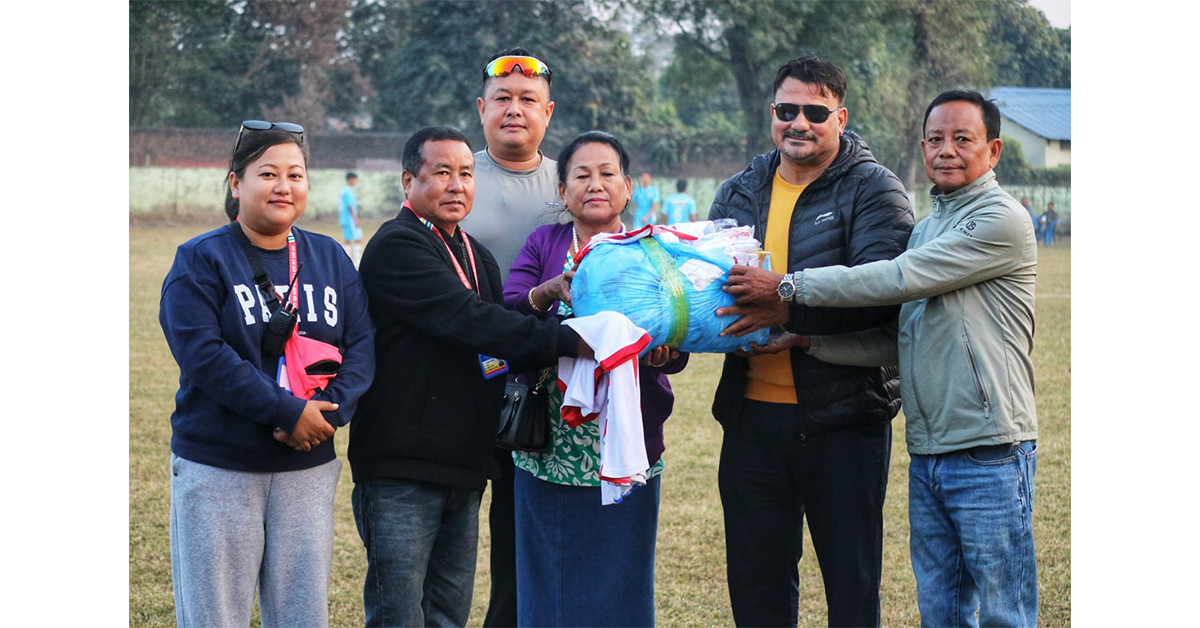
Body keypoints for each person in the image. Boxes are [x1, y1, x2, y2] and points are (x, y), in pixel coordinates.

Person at [721, 89, 1039, 627]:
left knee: (1003, 611)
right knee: (941, 607)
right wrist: (807, 342)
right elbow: (900, 339)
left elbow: (896, 278)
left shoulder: (1001, 220)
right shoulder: (926, 228)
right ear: (921, 147)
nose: (947, 151)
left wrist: (789, 287)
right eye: (936, 139)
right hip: (930, 449)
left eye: (964, 139)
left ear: (995, 151)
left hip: (990, 446)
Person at [348, 126, 594, 627]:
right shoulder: (397, 246)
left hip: (464, 461)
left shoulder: (477, 255)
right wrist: (571, 341)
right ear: (407, 181)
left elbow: (497, 341)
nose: (457, 185)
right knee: (400, 613)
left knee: (447, 613)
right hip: (401, 466)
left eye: (465, 173)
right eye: (441, 173)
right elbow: (472, 322)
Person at [705, 55, 914, 627]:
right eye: (786, 110)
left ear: (840, 117)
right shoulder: (739, 190)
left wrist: (791, 309)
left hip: (845, 420)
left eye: (814, 112)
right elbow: (705, 287)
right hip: (751, 420)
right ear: (771, 113)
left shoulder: (875, 190)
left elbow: (886, 293)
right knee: (757, 585)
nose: (798, 122)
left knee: (851, 586)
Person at [159, 120, 376, 628]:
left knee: (301, 614)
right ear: (236, 183)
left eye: (296, 174)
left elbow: (363, 344)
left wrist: (328, 413)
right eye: (268, 173)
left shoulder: (329, 256)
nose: (284, 186)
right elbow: (204, 356)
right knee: (216, 614)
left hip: (306, 466)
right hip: (221, 464)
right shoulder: (201, 258)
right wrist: (285, 410)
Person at [503, 130, 687, 627]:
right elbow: (510, 311)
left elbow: (678, 338)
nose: (595, 184)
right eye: (580, 175)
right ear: (562, 192)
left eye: (607, 173)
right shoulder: (545, 243)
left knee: (622, 574)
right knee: (549, 574)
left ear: (628, 187)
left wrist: (662, 354)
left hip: (627, 441)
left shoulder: (653, 250)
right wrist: (548, 291)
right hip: (550, 443)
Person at [457, 46, 559, 627]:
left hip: (546, 381)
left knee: (521, 533)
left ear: (548, 110)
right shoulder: (454, 173)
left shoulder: (571, 182)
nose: (513, 110)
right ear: (481, 108)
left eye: (527, 100)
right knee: (450, 523)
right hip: (463, 378)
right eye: (502, 99)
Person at [339, 171, 363, 266]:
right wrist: (355, 219)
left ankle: (347, 260)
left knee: (348, 239)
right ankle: (356, 261)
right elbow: (350, 206)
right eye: (355, 179)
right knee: (358, 238)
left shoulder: (342, 190)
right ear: (351, 179)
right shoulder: (348, 191)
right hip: (350, 219)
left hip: (344, 218)